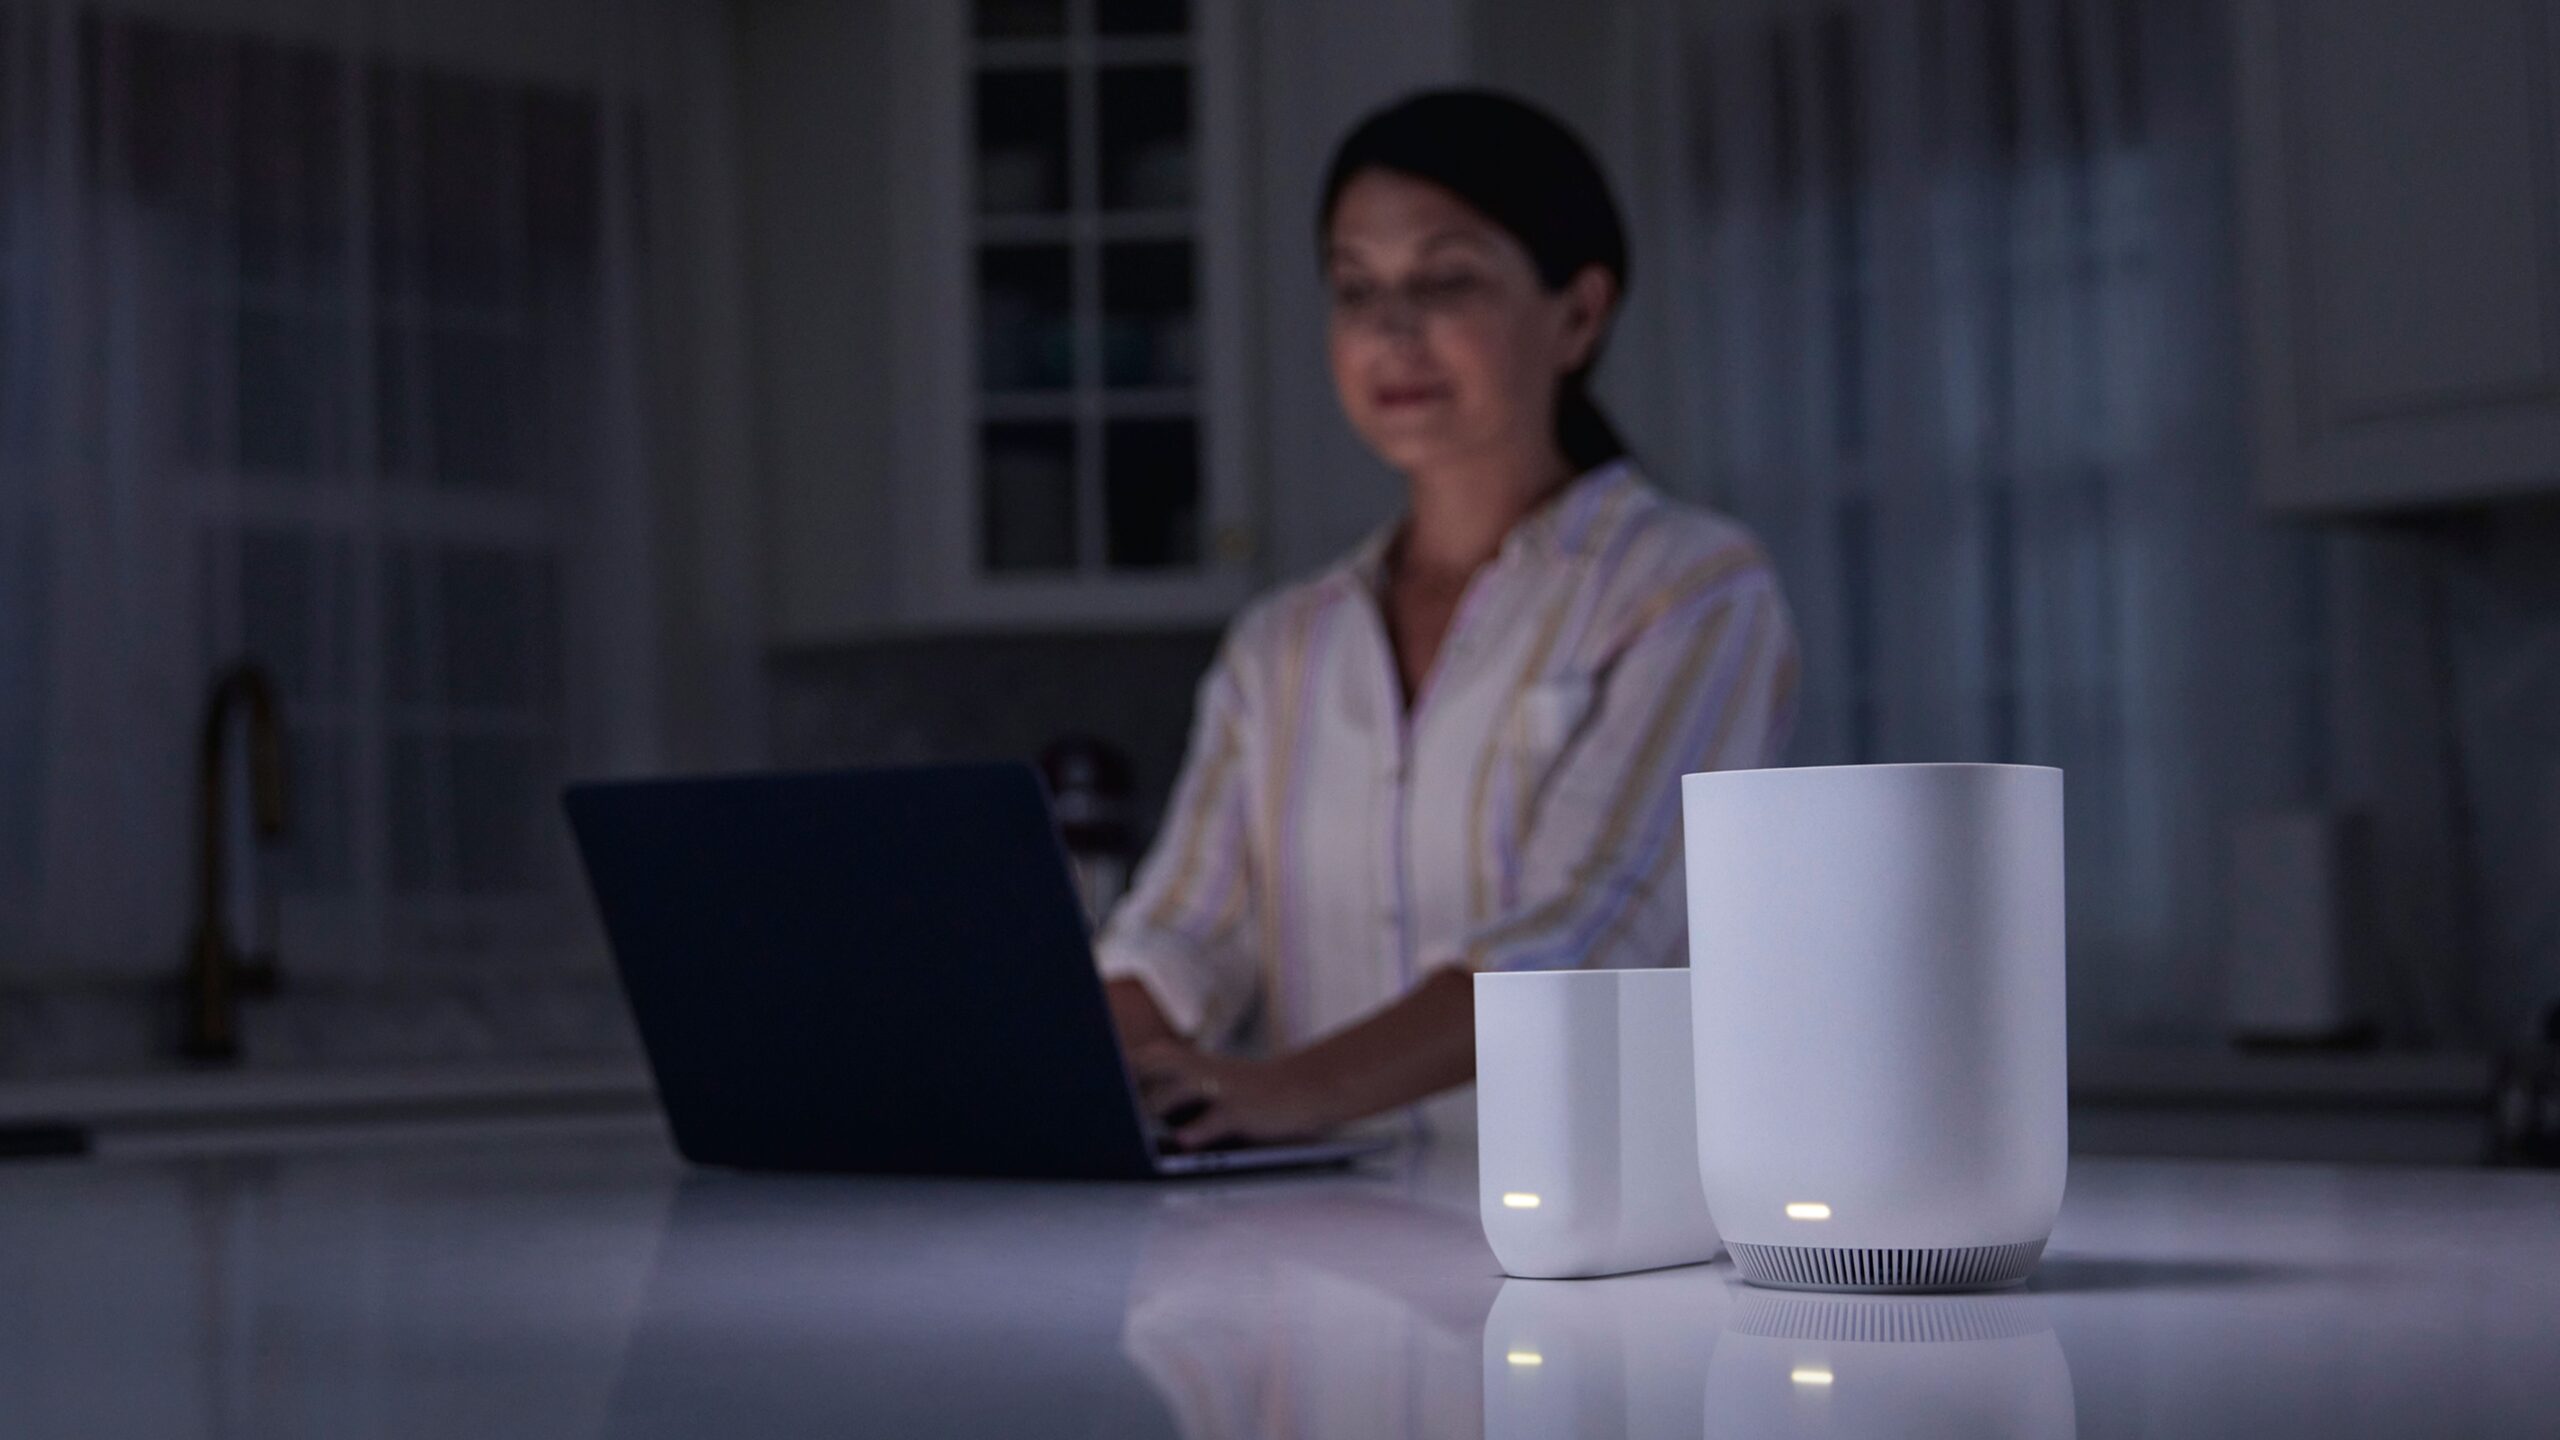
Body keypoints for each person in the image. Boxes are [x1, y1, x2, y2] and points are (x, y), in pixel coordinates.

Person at [1098, 88, 1798, 1150]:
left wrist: (1290, 1092)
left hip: (1600, 1228)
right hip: (1318, 1237)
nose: (1391, 328)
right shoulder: (1282, 645)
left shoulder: (1689, 588)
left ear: (1577, 313)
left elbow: (1588, 930)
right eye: (1354, 288)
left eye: (1447, 278)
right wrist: (1031, 1060)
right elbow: (1183, 936)